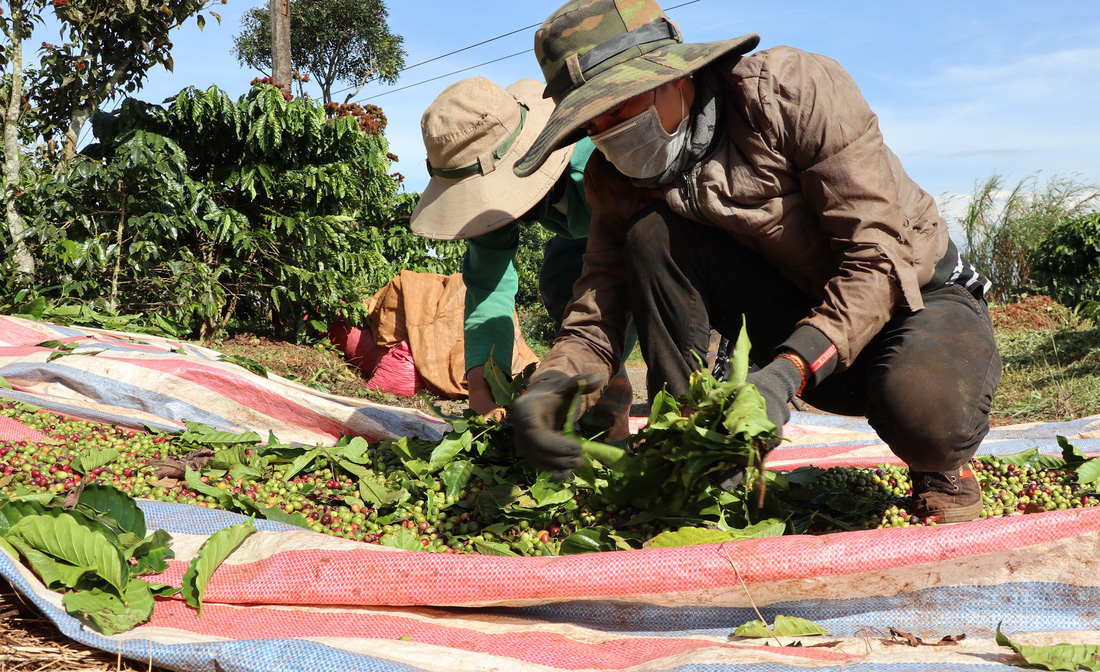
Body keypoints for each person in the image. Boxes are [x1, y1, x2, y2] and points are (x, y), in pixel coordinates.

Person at [509, 0, 1002, 523]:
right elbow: (598, 313)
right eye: (592, 121)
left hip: (913, 301)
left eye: (620, 107)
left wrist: (786, 373)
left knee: (927, 420)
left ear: (673, 77)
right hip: (792, 313)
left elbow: (876, 258)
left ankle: (943, 468)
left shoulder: (788, 94)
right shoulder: (616, 179)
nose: (608, 132)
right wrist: (552, 384)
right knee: (649, 237)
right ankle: (695, 449)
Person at [409, 77, 636, 436]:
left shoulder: (603, 164)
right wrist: (484, 390)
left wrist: (574, 377)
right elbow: (488, 285)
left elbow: (617, 292)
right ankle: (599, 398)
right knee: (560, 277)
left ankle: (606, 403)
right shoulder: (488, 196)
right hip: (579, 237)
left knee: (635, 318)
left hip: (645, 236)